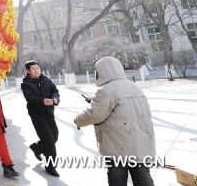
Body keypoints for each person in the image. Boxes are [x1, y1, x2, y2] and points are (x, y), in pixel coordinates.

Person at [75, 57, 156, 186]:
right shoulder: (134, 87)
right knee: (142, 178)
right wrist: (95, 101)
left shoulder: (106, 90)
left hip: (118, 145)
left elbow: (95, 115)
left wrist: (78, 120)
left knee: (117, 180)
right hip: (140, 142)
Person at [21, 60, 61, 177]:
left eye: (38, 68)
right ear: (28, 71)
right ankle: (50, 167)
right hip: (37, 115)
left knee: (55, 137)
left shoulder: (45, 80)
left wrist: (55, 99)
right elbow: (29, 98)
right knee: (49, 141)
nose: (36, 70)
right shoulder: (26, 84)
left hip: (49, 113)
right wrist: (42, 101)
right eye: (33, 69)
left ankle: (37, 147)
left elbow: (55, 91)